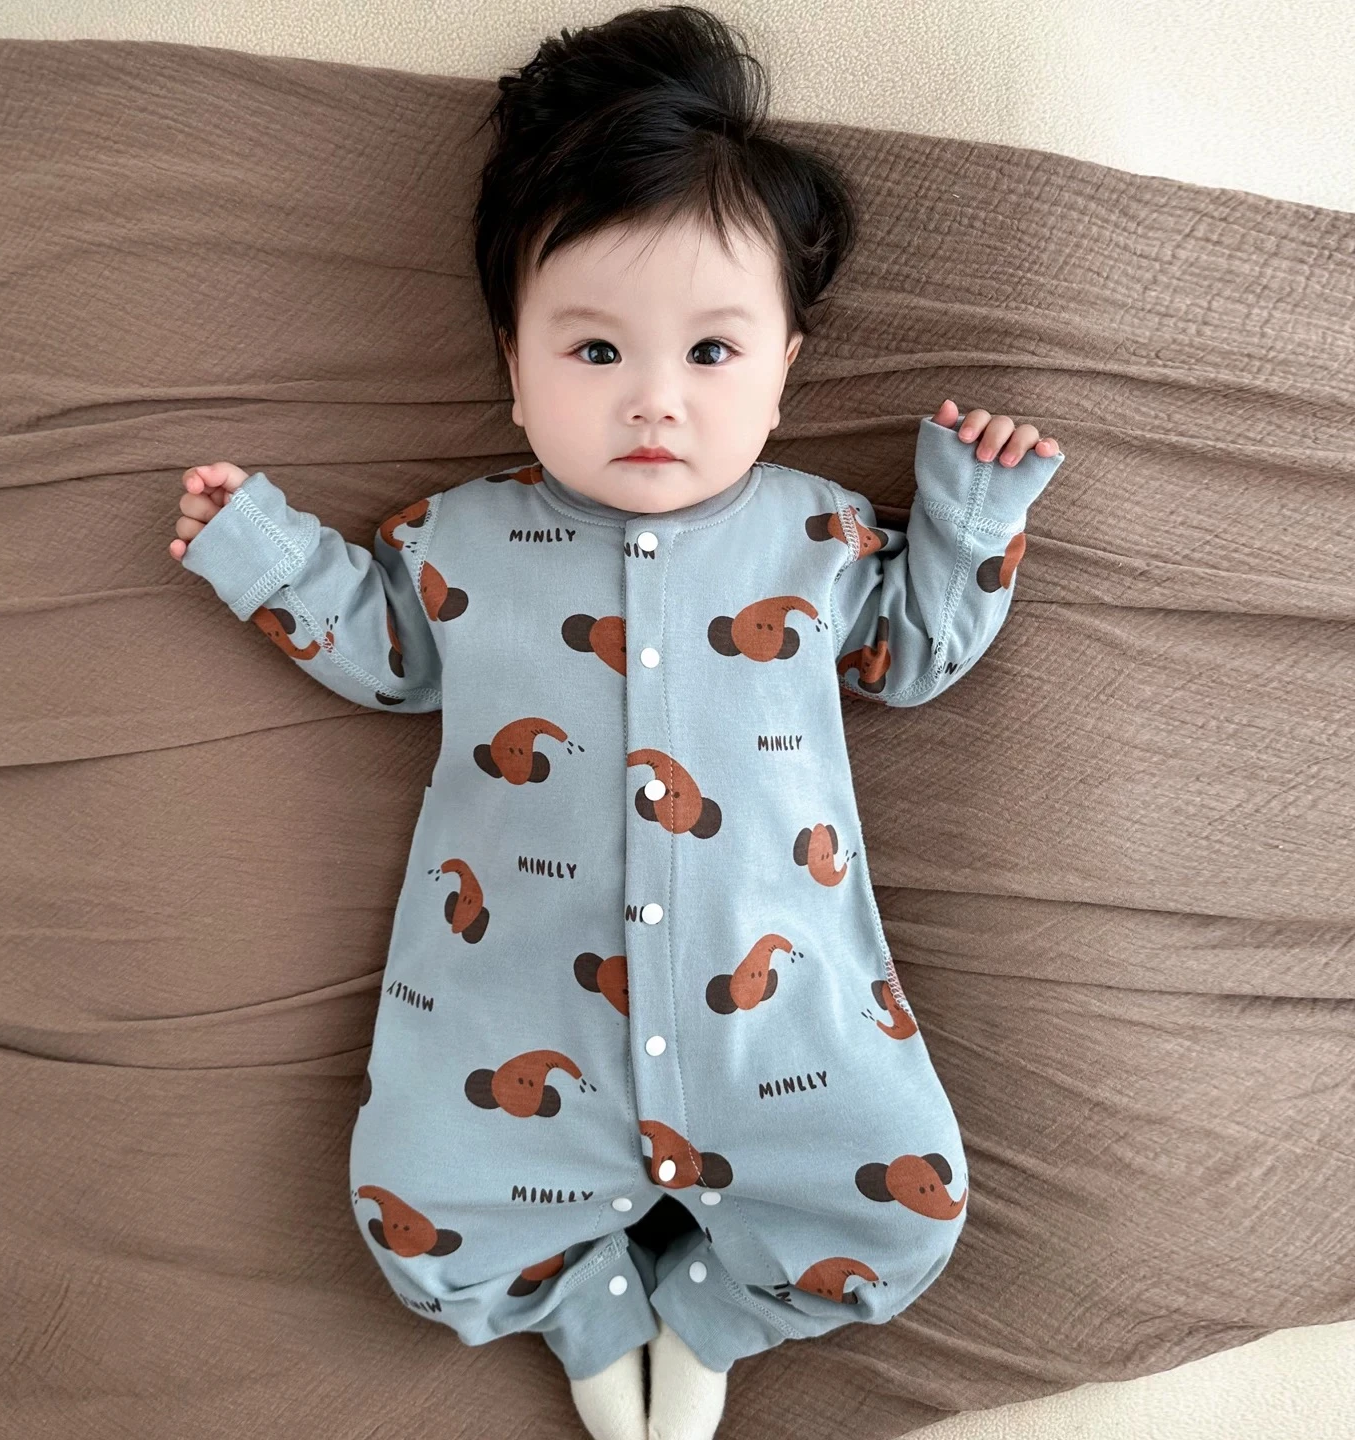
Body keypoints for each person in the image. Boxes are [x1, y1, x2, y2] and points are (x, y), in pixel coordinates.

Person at [169, 7, 1064, 1439]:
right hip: (514, 1016)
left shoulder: (822, 538)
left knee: (911, 1209)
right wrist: (262, 551)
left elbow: (912, 658)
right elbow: (386, 653)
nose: (654, 401)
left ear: (784, 369)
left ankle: (709, 1319)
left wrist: (968, 510)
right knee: (412, 1214)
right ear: (513, 363)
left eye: (711, 352)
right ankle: (588, 1317)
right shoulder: (459, 540)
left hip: (783, 1032)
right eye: (593, 350)